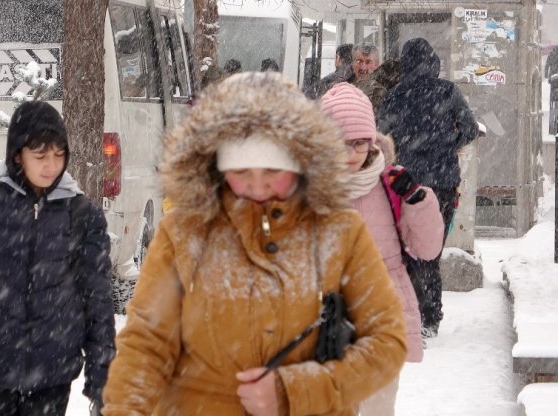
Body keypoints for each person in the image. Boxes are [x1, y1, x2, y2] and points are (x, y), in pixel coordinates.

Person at [102, 71, 407, 415]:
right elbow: (145, 345)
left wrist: (296, 391)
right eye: (242, 171)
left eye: (274, 170)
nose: (259, 187)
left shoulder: (340, 231)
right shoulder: (184, 233)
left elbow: (387, 340)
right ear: (215, 163)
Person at [0, 101, 115, 416]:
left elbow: (96, 296)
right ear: (18, 155)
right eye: (40, 156)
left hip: (52, 369)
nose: (51, 166)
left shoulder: (81, 212)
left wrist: (102, 368)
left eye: (59, 156)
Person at [320, 83, 444, 415]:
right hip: (326, 320)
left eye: (359, 143)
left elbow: (428, 249)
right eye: (340, 144)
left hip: (381, 317)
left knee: (378, 408)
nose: (350, 154)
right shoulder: (309, 189)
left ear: (372, 141)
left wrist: (417, 201)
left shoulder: (389, 185)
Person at [377, 37, 479, 339]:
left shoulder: (395, 95)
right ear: (434, 62)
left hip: (405, 183)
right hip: (443, 181)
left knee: (406, 248)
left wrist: (405, 151)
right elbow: (470, 129)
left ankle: (409, 311)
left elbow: (381, 134)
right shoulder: (447, 91)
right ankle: (430, 316)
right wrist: (448, 146)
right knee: (431, 250)